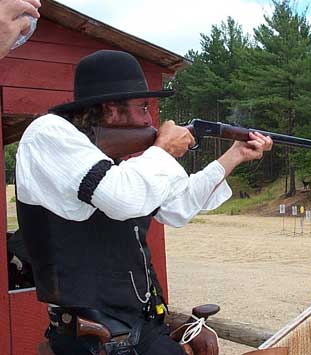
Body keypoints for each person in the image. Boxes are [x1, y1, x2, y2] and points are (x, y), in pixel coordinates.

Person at [15, 50, 272, 355]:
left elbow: (178, 207)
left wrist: (236, 155)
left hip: (137, 333)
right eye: (143, 107)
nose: (151, 118)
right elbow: (122, 198)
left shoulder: (109, 161)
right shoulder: (48, 133)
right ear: (111, 110)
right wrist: (163, 150)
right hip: (95, 341)